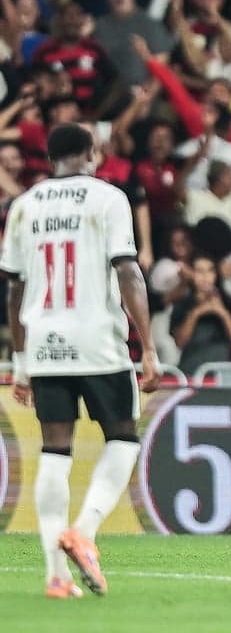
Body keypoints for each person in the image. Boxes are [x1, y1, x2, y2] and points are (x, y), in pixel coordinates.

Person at [0, 123, 160, 596]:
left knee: (54, 448)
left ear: (50, 158)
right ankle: (84, 532)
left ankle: (55, 575)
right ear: (92, 153)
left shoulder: (24, 205)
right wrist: (147, 346)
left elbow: (15, 287)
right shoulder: (108, 198)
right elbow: (127, 269)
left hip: (45, 341)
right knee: (124, 437)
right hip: (97, 339)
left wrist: (21, 359)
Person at [170, 252, 231, 377]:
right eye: (199, 271)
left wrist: (223, 313)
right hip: (190, 373)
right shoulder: (182, 304)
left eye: (209, 271)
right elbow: (179, 342)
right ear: (192, 274)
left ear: (216, 275)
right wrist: (196, 313)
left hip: (222, 375)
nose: (205, 276)